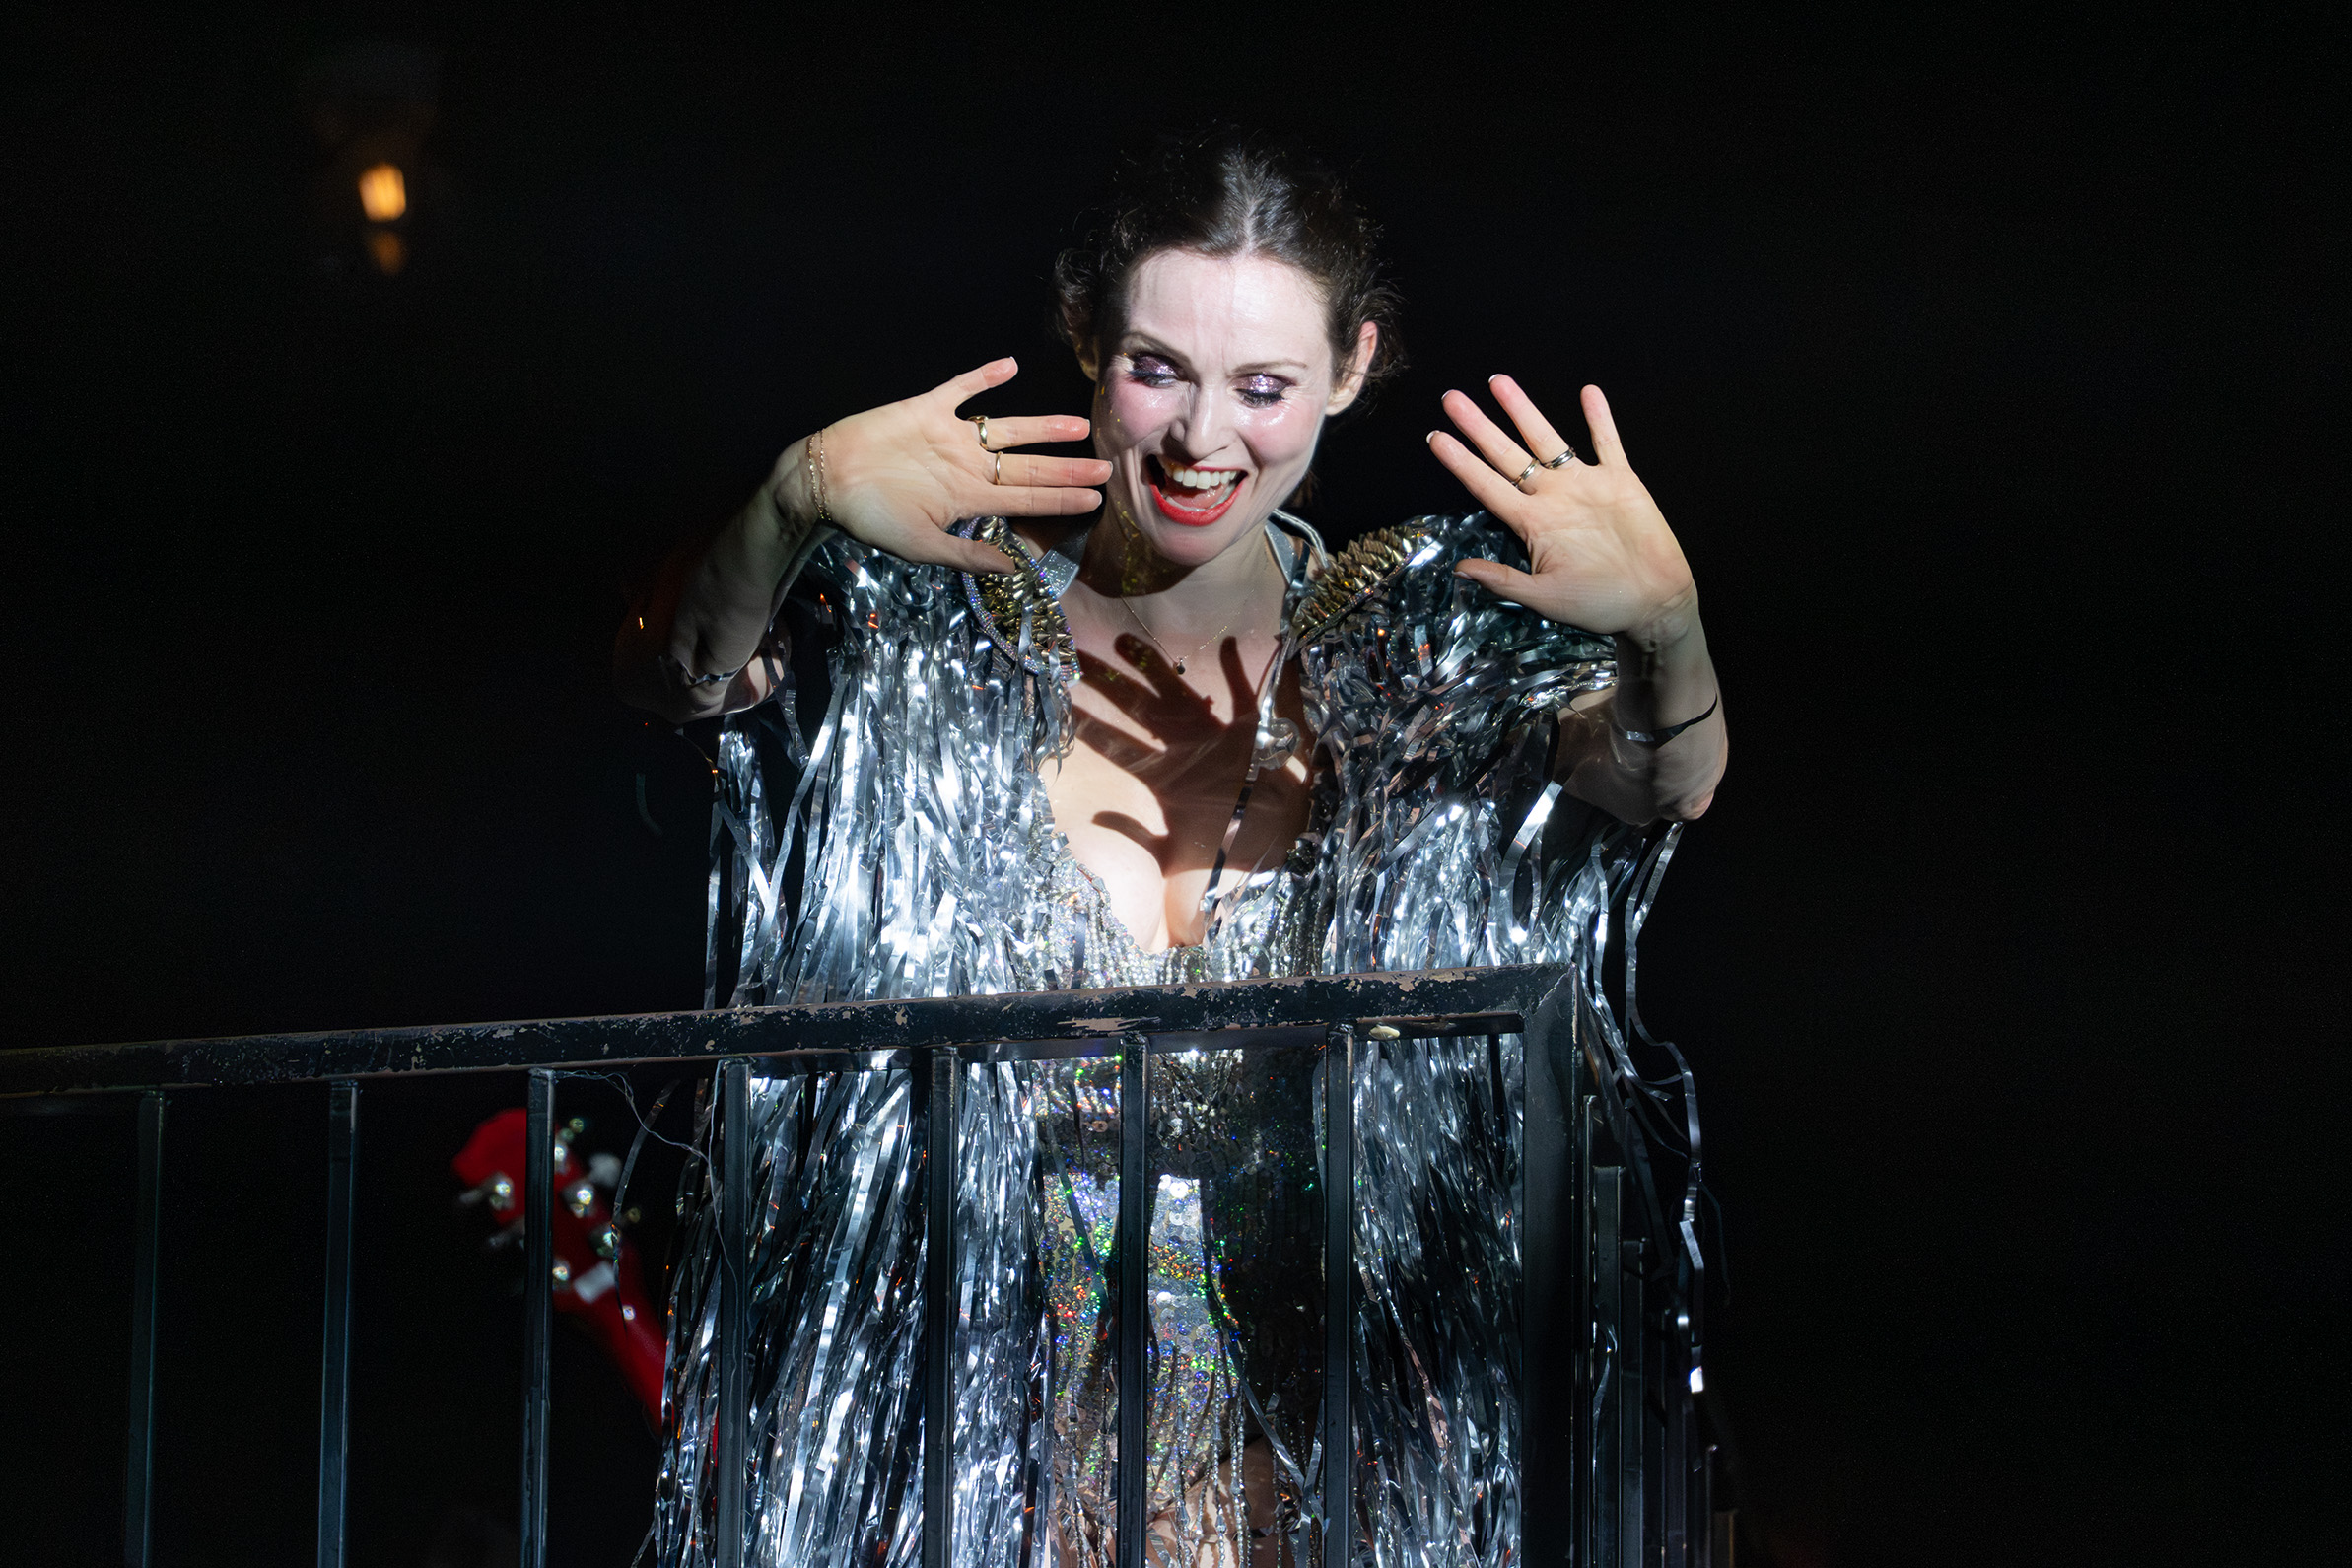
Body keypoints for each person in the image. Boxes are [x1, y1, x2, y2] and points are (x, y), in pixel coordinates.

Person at [618, 130, 1722, 1568]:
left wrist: (1668, 626)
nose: (1204, 438)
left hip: (1321, 1468)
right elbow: (681, 680)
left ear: (1350, 369)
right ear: (1084, 335)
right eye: (1158, 369)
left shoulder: (1419, 666)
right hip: (982, 1461)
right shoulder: (942, 632)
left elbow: (1665, 784)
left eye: (1264, 387)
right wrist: (790, 502)